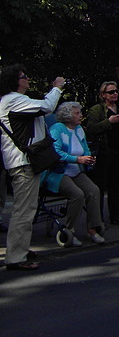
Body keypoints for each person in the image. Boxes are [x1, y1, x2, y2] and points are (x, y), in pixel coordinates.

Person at [0, 64, 64, 270]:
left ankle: (20, 249)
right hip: (23, 163)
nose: (28, 79)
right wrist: (57, 88)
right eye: (24, 77)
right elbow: (46, 107)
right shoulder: (13, 100)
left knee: (26, 208)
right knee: (23, 210)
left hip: (22, 163)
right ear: (15, 81)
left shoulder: (12, 101)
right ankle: (16, 257)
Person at [43, 102, 105, 246]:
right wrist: (77, 159)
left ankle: (93, 229)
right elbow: (55, 152)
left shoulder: (79, 130)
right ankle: (69, 230)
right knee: (77, 194)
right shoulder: (57, 129)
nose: (81, 115)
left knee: (94, 190)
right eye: (77, 113)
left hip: (77, 171)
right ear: (67, 116)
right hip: (59, 172)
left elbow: (85, 148)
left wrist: (89, 158)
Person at [85, 81, 119, 225]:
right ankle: (98, 218)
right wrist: (108, 122)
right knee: (101, 186)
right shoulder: (97, 110)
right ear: (103, 95)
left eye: (116, 91)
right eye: (111, 92)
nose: (115, 94)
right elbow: (91, 129)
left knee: (116, 185)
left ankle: (116, 215)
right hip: (104, 152)